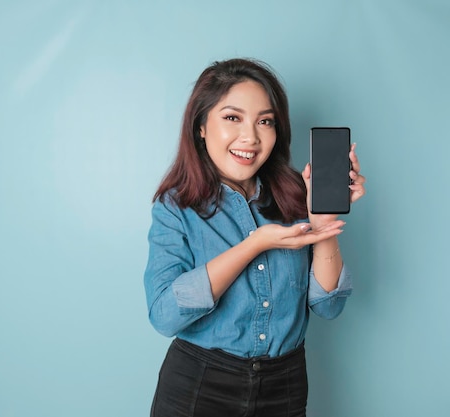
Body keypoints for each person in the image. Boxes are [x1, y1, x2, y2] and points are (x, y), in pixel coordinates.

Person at [143, 58, 366, 417]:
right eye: (232, 118)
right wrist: (254, 245)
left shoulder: (295, 196)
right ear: (201, 125)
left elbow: (329, 306)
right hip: (200, 385)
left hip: (285, 386)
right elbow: (165, 316)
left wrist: (322, 223)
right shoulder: (176, 207)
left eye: (265, 121)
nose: (251, 137)